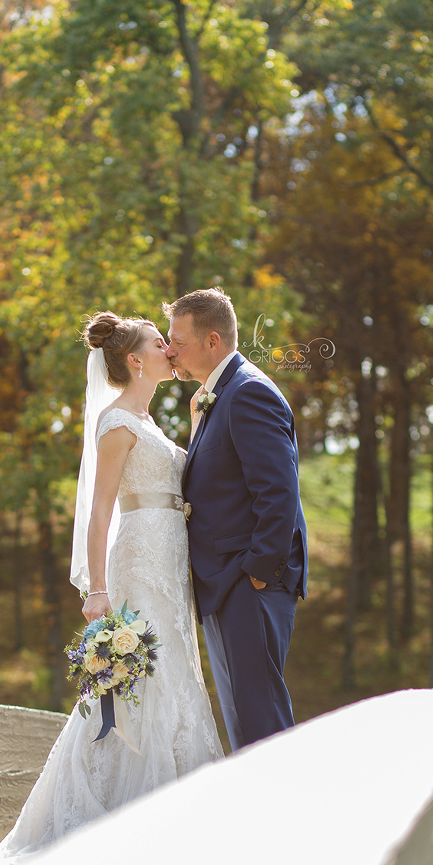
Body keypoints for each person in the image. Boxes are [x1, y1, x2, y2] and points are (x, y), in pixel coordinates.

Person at [0, 312, 222, 865]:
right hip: (139, 558)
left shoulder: (148, 418)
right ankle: (123, 816)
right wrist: (97, 590)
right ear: (135, 360)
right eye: (161, 344)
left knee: (174, 672)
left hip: (170, 561)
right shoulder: (115, 423)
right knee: (143, 675)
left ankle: (180, 811)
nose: (169, 350)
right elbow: (102, 508)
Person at [164, 287, 308, 753]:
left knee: (261, 719)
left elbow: (278, 491)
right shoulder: (217, 395)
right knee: (244, 724)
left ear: (212, 341)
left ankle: (287, 818)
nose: (170, 351)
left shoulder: (248, 393)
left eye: (177, 341)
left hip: (247, 582)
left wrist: (258, 573)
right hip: (227, 581)